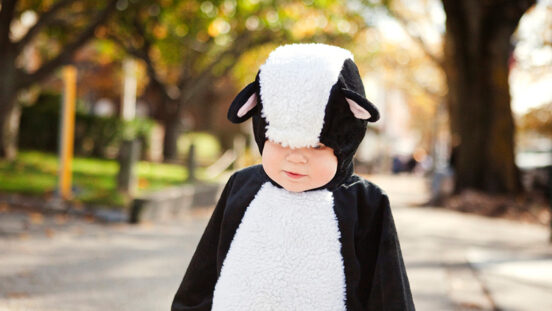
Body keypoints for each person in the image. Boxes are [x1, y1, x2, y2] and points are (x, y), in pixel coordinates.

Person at [171, 43, 415, 311]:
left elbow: (387, 290)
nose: (296, 158)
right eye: (281, 141)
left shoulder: (365, 203)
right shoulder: (242, 186)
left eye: (316, 146)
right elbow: (204, 272)